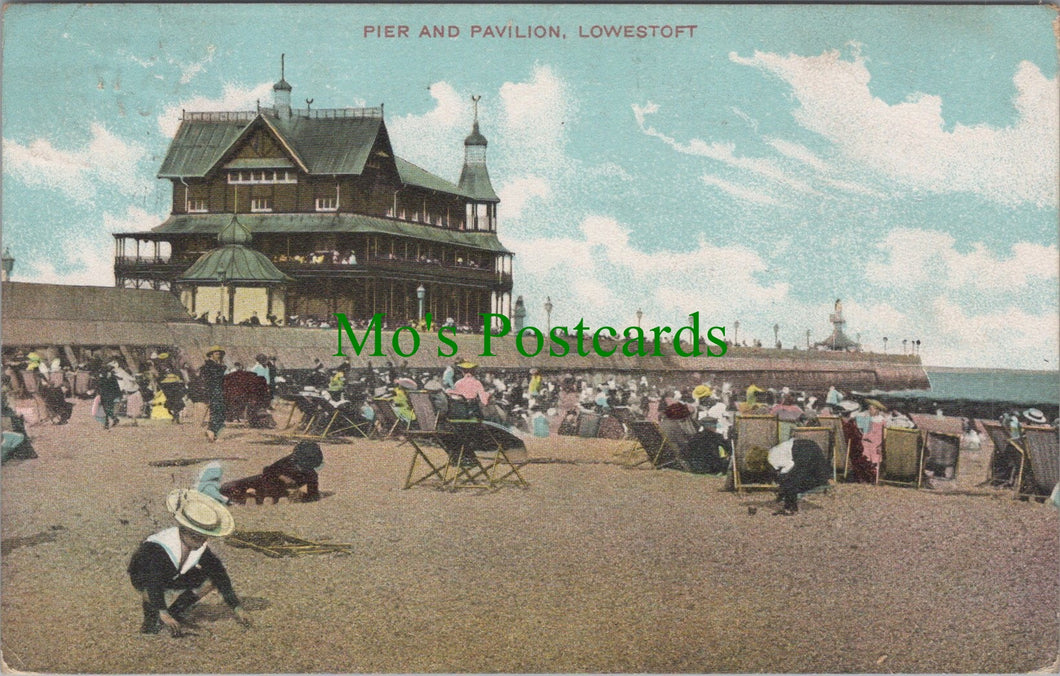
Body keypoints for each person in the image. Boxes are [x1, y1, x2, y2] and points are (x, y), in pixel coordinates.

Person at [127, 489, 251, 635]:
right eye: (196, 537)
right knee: (150, 586)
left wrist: (237, 608)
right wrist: (162, 611)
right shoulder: (158, 546)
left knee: (212, 579)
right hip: (144, 577)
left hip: (174, 574)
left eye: (203, 538)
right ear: (185, 530)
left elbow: (219, 573)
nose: (201, 542)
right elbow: (153, 580)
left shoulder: (200, 548)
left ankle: (175, 612)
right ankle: (151, 622)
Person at [221, 440, 324, 505]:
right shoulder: (289, 460)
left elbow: (313, 495)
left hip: (278, 489)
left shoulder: (311, 475)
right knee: (228, 487)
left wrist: (301, 495)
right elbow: (268, 470)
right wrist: (283, 477)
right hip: (266, 481)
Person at [768, 438, 832, 515]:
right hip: (811, 445)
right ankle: (791, 504)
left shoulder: (772, 460)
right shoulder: (772, 452)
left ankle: (789, 508)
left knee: (790, 480)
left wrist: (782, 476)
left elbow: (790, 464)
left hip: (801, 449)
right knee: (819, 478)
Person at [200, 346, 227, 442]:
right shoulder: (208, 367)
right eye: (216, 354)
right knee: (216, 412)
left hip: (220, 391)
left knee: (221, 412)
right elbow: (205, 382)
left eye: (220, 354)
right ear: (211, 355)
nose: (219, 356)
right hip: (213, 392)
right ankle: (211, 432)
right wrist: (206, 395)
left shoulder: (219, 366)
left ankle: (214, 433)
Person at [97, 364, 123, 429]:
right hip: (104, 395)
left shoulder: (112, 378)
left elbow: (116, 387)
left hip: (110, 395)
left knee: (107, 409)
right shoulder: (102, 377)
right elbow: (99, 386)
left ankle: (107, 423)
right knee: (105, 410)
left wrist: (118, 395)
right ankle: (112, 420)